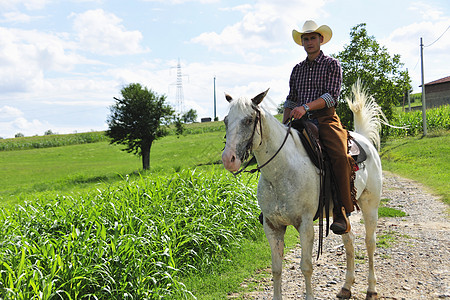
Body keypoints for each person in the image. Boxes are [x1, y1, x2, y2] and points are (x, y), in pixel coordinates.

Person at [283, 20, 356, 235]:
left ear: (321, 40)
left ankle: (341, 210)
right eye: (305, 39)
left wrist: (306, 107)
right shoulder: (297, 70)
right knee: (277, 151)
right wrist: (283, 123)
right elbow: (291, 99)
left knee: (340, 156)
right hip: (299, 121)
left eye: (313, 38)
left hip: (325, 119)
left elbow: (331, 97)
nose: (309, 42)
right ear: (302, 43)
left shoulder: (332, 65)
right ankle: (277, 206)